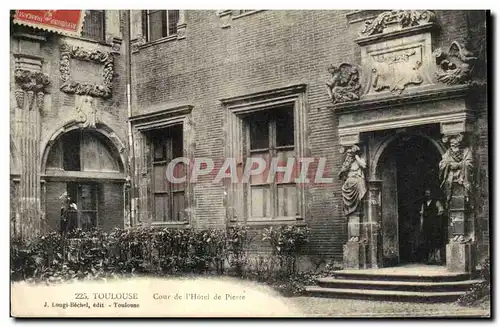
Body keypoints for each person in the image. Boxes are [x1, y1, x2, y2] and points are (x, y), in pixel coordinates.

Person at [338, 145, 367, 216]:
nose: (349, 155)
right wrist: (345, 167)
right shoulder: (348, 162)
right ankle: (350, 209)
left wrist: (356, 157)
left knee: (358, 200)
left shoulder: (359, 160)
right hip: (349, 184)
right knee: (344, 189)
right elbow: (341, 174)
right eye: (348, 154)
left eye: (351, 154)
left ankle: (355, 209)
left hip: (357, 181)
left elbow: (364, 165)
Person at [418, 189, 445, 264]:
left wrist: (435, 218)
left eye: (429, 193)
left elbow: (441, 211)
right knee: (428, 241)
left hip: (435, 225)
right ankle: (430, 259)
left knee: (436, 240)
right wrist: (421, 225)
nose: (427, 195)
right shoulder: (424, 204)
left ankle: (437, 258)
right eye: (426, 193)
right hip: (427, 225)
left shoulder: (436, 202)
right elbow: (422, 215)